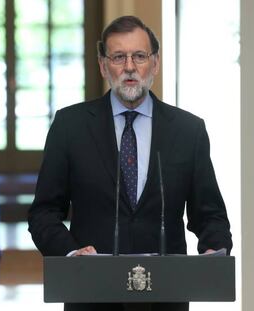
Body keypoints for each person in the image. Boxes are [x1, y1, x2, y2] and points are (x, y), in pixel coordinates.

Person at [28, 15, 232, 311]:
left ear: (155, 64)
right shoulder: (70, 126)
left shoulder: (189, 131)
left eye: (139, 56)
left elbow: (210, 214)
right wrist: (71, 253)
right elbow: (43, 213)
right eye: (118, 57)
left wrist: (214, 250)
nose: (129, 68)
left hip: (166, 298)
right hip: (92, 295)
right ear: (103, 65)